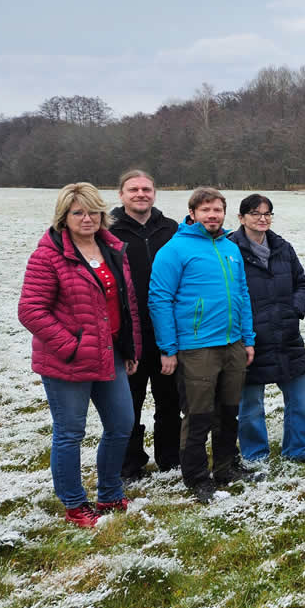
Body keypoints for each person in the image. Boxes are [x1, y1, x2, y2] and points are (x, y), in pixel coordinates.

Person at [18, 182, 140, 527]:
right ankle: (74, 503)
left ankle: (110, 492)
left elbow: (126, 305)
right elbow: (31, 310)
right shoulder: (49, 255)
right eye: (78, 213)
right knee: (70, 432)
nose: (87, 219)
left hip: (110, 353)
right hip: (67, 361)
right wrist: (70, 345)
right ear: (64, 217)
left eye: (93, 211)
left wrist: (130, 349)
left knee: (121, 425)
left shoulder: (113, 248)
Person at [149, 187, 256, 504]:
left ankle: (226, 468)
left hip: (233, 344)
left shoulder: (230, 248)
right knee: (198, 416)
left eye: (218, 210)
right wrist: (168, 348)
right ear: (192, 213)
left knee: (229, 411)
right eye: (206, 210)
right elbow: (159, 299)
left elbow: (242, 295)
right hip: (197, 347)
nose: (212, 215)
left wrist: (247, 339)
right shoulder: (175, 249)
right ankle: (196, 477)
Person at [228, 194, 305, 465]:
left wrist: (295, 310)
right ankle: (255, 455)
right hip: (250, 339)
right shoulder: (230, 250)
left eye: (267, 213)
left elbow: (301, 282)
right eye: (255, 213)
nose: (262, 218)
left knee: (299, 398)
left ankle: (298, 449)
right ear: (242, 218)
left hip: (286, 334)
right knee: (251, 404)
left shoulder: (282, 247)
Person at [109, 169, 181, 480]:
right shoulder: (108, 231)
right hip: (127, 333)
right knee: (129, 403)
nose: (141, 194)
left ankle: (170, 458)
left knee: (170, 400)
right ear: (121, 195)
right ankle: (130, 464)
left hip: (166, 329)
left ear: (155, 193)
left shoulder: (171, 229)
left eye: (147, 189)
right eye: (134, 189)